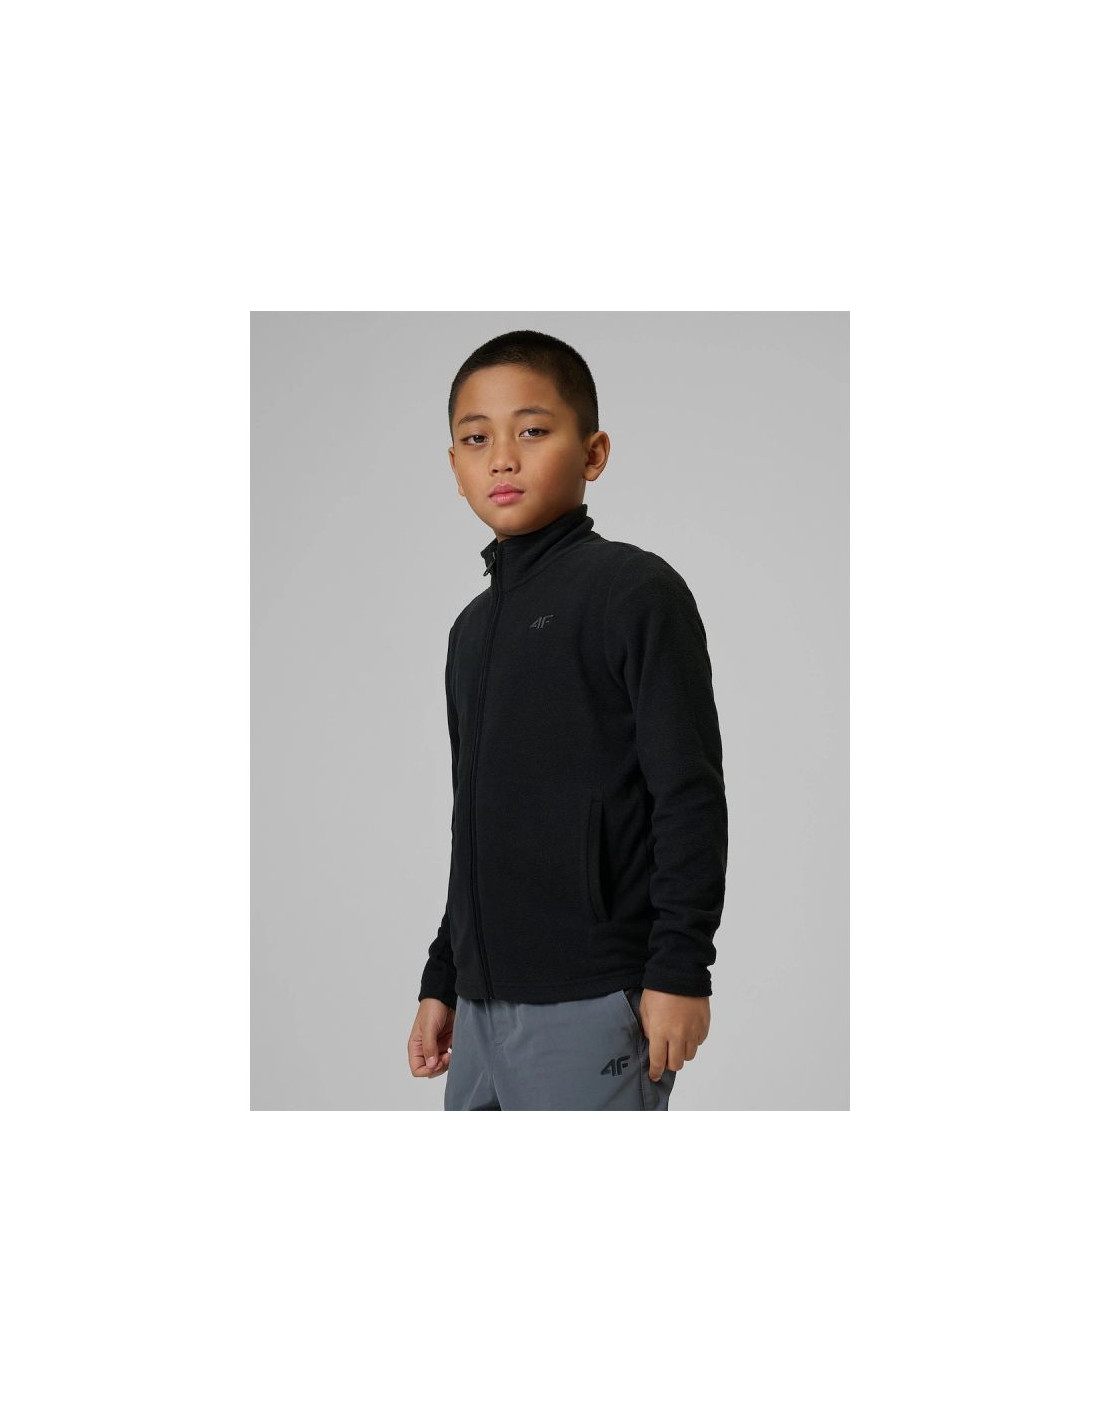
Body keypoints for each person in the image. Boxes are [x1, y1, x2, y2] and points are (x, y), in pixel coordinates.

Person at [406, 330, 728, 1109]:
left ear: (593, 453)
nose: (502, 459)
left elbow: (688, 794)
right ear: (454, 466)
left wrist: (680, 968)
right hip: (479, 1010)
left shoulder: (632, 592)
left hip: (592, 998)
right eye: (476, 439)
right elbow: (473, 822)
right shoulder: (470, 632)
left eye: (532, 430)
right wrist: (443, 976)